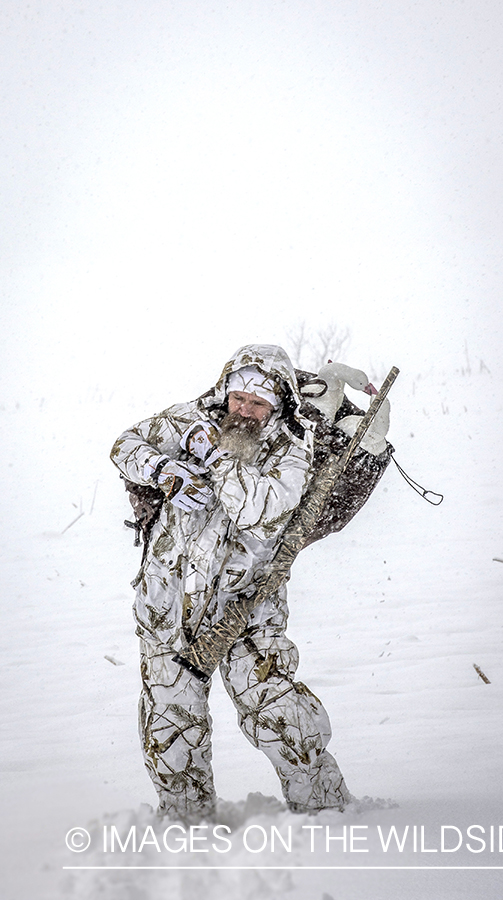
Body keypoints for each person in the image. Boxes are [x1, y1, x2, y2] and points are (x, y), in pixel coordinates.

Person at [110, 343, 350, 823]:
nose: (244, 411)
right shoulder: (188, 419)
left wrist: (213, 456)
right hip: (167, 605)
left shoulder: (291, 454)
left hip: (246, 609)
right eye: (239, 398)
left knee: (277, 715)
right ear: (224, 390)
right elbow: (125, 445)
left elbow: (256, 509)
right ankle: (185, 829)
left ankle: (328, 814)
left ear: (278, 405)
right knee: (170, 725)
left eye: (259, 403)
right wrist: (166, 470)